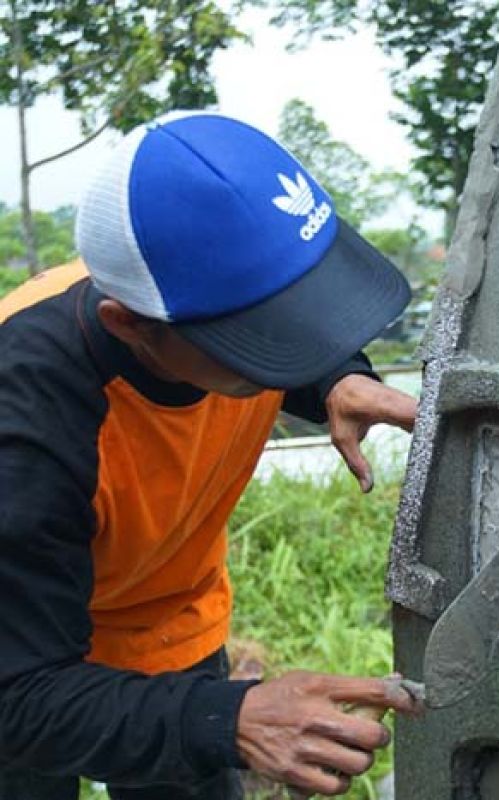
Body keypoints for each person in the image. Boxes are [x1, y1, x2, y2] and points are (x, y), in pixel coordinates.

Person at [0, 111, 423, 799]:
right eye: (264, 342)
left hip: (169, 615)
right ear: (129, 326)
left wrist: (337, 377)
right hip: (23, 645)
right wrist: (228, 719)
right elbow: (18, 692)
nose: (295, 348)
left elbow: (287, 311)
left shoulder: (200, 289)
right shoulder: (28, 424)